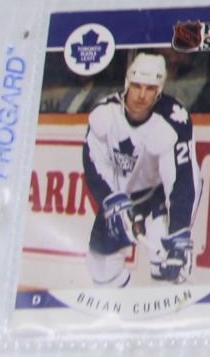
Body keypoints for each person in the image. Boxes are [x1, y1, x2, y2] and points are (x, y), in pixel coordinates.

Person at [82, 52, 199, 288]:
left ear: (159, 90)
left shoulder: (173, 120)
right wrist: (111, 201)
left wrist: (178, 234)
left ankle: (169, 301)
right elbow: (93, 163)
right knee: (101, 267)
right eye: (137, 86)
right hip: (122, 195)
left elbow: (182, 180)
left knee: (166, 260)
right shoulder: (105, 114)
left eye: (150, 88)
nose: (142, 95)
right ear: (127, 83)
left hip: (159, 195)